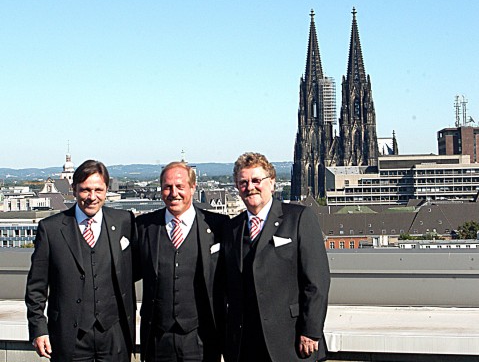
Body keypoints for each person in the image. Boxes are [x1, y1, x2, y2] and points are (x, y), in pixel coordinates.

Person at [25, 160, 137, 362]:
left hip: (115, 336)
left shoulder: (124, 221)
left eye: (98, 190)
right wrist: (39, 329)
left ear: (106, 190)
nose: (92, 197)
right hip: (70, 337)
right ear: (74, 189)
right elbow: (36, 287)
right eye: (85, 190)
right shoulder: (50, 229)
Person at [224, 152, 330, 362]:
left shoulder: (298, 218)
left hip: (292, 341)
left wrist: (310, 331)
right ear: (237, 187)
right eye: (243, 182)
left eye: (256, 180)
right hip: (246, 344)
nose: (250, 187)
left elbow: (317, 281)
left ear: (272, 183)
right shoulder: (232, 228)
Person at [136, 161, 228, 362]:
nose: (173, 193)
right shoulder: (144, 227)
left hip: (202, 338)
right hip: (157, 339)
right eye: (167, 187)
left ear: (193, 188)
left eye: (180, 186)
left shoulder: (218, 226)